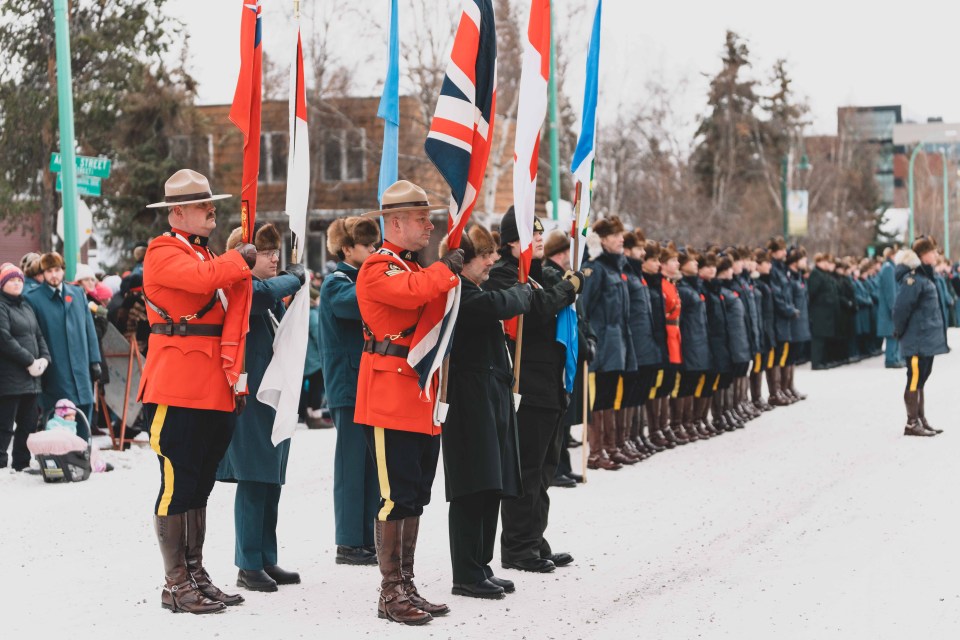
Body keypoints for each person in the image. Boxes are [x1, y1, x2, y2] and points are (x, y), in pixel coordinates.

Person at [138, 168, 257, 614]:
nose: (212, 210)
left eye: (212, 203)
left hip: (213, 386)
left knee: (200, 484)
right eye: (203, 205)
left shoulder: (205, 254)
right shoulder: (163, 251)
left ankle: (194, 572)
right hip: (176, 386)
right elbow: (202, 281)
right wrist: (239, 260)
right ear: (177, 212)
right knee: (177, 483)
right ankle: (174, 583)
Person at [354, 180, 462, 625]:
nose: (429, 225)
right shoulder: (378, 267)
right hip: (388, 394)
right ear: (395, 223)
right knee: (394, 497)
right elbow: (413, 293)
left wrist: (448, 268)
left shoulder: (413, 266)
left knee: (415, 495)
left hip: (419, 395)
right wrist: (447, 268)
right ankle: (389, 591)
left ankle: (406, 582)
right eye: (422, 219)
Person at [487, 208, 581, 576]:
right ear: (512, 241)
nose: (540, 238)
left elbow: (548, 298)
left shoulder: (537, 274)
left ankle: (534, 538)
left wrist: (564, 282)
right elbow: (537, 309)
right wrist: (566, 289)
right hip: (525, 385)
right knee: (526, 470)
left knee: (544, 469)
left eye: (542, 233)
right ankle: (518, 547)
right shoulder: (504, 275)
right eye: (532, 233)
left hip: (549, 385)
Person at [442, 225, 531, 599]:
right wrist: (523, 292)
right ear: (465, 260)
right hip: (467, 399)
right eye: (486, 255)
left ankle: (481, 564)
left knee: (491, 484)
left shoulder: (477, 289)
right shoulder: (457, 292)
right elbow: (496, 305)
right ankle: (465, 571)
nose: (493, 260)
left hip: (489, 394)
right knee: (472, 487)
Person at [217, 222, 306, 592]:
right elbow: (263, 294)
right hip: (248, 398)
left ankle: (266, 557)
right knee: (254, 480)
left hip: (270, 400)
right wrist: (295, 278)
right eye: (266, 253)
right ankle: (247, 563)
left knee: (271, 481)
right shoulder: (239, 288)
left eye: (276, 252)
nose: (274, 258)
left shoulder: (265, 293)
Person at [318, 215, 381, 566]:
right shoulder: (336, 282)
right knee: (351, 464)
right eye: (367, 246)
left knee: (371, 463)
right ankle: (348, 540)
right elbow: (356, 304)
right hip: (348, 384)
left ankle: (366, 537)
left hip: (366, 383)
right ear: (346, 248)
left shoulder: (359, 278)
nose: (373, 250)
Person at [23, 252, 101, 441]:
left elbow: (89, 329)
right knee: (59, 412)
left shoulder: (76, 293)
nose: (54, 275)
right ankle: (60, 458)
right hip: (55, 368)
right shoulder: (33, 298)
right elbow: (32, 336)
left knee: (84, 407)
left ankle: (84, 453)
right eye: (49, 271)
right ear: (43, 273)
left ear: (63, 270)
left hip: (81, 367)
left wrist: (95, 360)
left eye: (57, 270)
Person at [893, 237, 948, 437]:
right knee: (914, 378)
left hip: (926, 339)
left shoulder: (926, 277)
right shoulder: (913, 279)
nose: (935, 255)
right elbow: (901, 308)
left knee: (922, 379)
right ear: (923, 255)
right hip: (916, 339)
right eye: (932, 252)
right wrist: (899, 331)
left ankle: (921, 418)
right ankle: (911, 422)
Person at [0, 263, 49, 470]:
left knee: (28, 423)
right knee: (4, 425)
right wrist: (29, 360)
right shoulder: (1, 306)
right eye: (11, 280)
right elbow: (4, 338)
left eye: (19, 279)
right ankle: (1, 464)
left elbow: (38, 335)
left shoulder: (26, 306)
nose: (17, 283)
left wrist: (45, 358)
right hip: (10, 377)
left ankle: (21, 462)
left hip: (32, 378)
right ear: (2, 284)